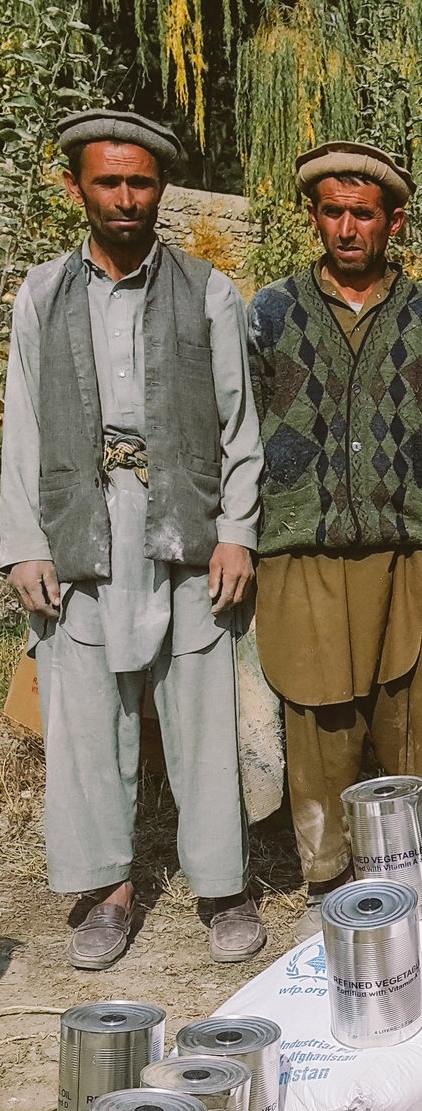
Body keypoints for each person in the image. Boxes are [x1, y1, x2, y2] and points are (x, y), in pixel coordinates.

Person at [0, 109, 264, 968]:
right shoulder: (43, 293)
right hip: (82, 523)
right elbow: (23, 431)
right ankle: (107, 891)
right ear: (76, 186)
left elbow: (239, 424)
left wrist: (236, 533)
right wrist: (23, 546)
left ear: (161, 190)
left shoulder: (207, 290)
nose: (124, 197)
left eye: (140, 182)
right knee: (88, 713)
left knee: (199, 709)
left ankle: (221, 888)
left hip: (182, 524)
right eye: (107, 181)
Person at [247, 142, 422, 926]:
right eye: (332, 212)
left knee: (412, 715)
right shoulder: (272, 313)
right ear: (315, 217)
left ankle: (419, 870)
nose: (347, 228)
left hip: (407, 550)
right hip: (303, 550)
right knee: (319, 718)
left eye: (363, 213)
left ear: (393, 221)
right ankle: (328, 877)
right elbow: (239, 433)